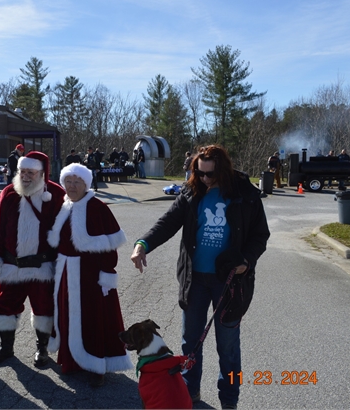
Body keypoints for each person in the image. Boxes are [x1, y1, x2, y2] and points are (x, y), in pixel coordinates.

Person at [130, 144, 270, 409]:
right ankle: (190, 391)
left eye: (211, 174)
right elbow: (168, 223)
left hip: (229, 281)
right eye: (200, 173)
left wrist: (246, 261)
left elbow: (260, 236)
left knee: (228, 348)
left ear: (224, 170)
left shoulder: (245, 194)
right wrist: (143, 244)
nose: (205, 179)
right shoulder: (191, 192)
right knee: (190, 342)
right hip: (194, 281)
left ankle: (230, 400)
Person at [47, 162, 132, 387]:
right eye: (69, 181)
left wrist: (107, 274)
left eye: (78, 182)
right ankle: (71, 361)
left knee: (94, 318)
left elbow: (110, 246)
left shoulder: (98, 207)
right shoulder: (63, 206)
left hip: (91, 275)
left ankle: (97, 365)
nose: (72, 186)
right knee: (67, 317)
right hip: (66, 273)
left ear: (86, 184)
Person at [0, 151, 65, 367]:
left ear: (42, 173)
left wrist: (62, 262)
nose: (25, 176)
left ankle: (43, 348)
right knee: (4, 305)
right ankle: (6, 347)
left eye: (30, 172)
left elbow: (66, 231)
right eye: (22, 171)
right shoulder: (8, 193)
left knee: (44, 308)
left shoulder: (56, 195)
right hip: (12, 265)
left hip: (43, 266)